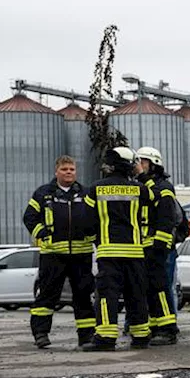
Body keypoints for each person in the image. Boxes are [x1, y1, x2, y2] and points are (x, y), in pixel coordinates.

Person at [81, 147, 152, 351]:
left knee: (107, 295)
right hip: (136, 252)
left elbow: (86, 221)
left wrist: (95, 240)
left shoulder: (95, 189)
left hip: (108, 252)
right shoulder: (140, 189)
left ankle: (105, 337)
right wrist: (142, 175)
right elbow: (153, 207)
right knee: (136, 294)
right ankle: (140, 336)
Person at [22, 155, 96, 349]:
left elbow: (96, 217)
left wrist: (92, 233)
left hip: (81, 253)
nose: (69, 172)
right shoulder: (43, 193)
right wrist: (43, 234)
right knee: (47, 295)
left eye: (72, 169)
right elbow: (29, 217)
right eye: (65, 169)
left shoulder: (86, 193)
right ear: (57, 172)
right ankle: (40, 334)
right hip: (53, 254)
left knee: (83, 296)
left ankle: (87, 337)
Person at [135, 147, 180, 346]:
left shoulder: (163, 187)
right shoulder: (144, 185)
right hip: (145, 245)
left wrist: (160, 244)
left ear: (154, 164)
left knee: (160, 288)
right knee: (149, 289)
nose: (139, 166)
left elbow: (166, 216)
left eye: (143, 162)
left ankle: (168, 329)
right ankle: (155, 326)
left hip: (158, 246)